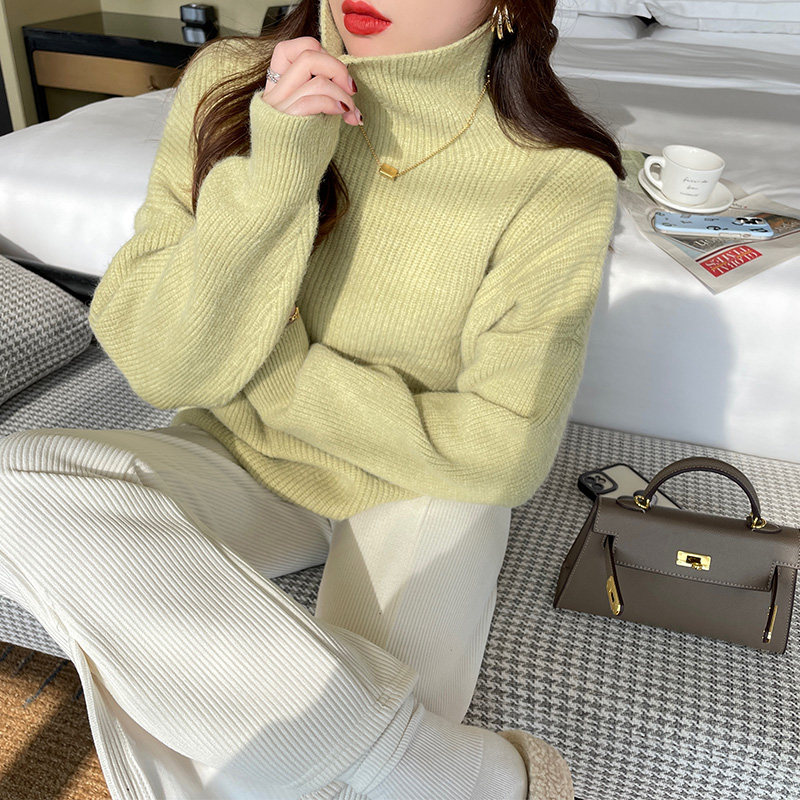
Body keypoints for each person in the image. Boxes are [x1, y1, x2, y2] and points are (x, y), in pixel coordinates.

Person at [0, 0, 624, 797]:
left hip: (419, 483)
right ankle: (480, 779)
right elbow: (160, 367)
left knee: (324, 743)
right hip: (236, 451)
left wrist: (280, 369)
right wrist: (277, 172)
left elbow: (504, 455)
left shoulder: (559, 177)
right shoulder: (230, 85)